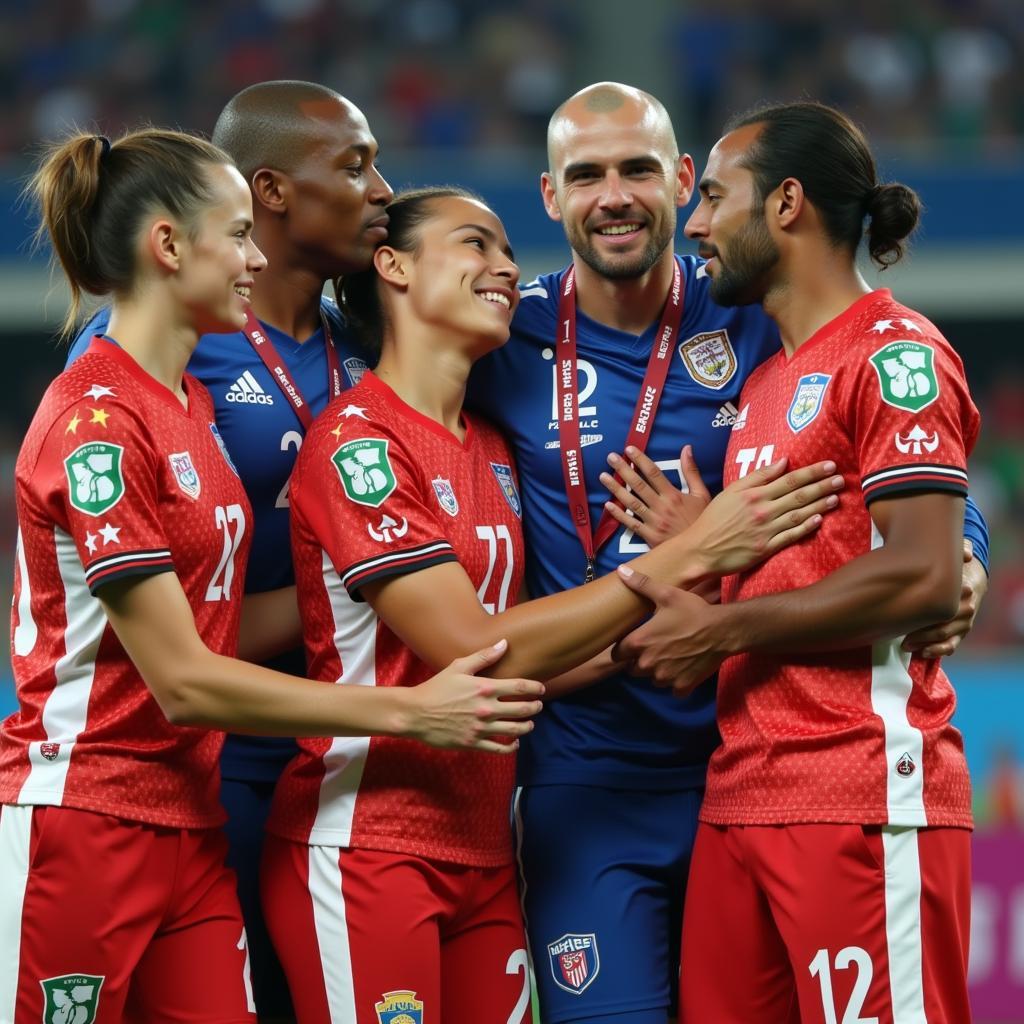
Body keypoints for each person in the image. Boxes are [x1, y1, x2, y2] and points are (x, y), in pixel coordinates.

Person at [467, 82, 990, 1023]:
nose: (614, 195)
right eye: (585, 174)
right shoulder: (501, 334)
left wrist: (967, 559)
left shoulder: (757, 314)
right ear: (550, 197)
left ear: (675, 182)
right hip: (603, 776)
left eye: (642, 172)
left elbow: (919, 477)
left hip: (763, 751)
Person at [258, 186, 844, 1024]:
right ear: (391, 265)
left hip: (484, 846)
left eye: (506, 250)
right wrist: (694, 552)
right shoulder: (360, 443)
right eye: (475, 244)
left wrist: (683, 627)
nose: (504, 267)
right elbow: (474, 646)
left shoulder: (492, 446)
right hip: (369, 842)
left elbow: (529, 664)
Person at [1, 130, 545, 1024]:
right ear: (169, 247)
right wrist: (410, 708)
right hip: (83, 810)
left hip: (191, 818)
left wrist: (361, 588)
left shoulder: (192, 407)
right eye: (238, 234)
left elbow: (214, 627)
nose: (259, 257)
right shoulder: (95, 423)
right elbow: (183, 679)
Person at [615, 101, 979, 1021]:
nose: (694, 224)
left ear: (785, 204)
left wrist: (722, 626)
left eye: (714, 197)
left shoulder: (897, 354)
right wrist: (712, 554)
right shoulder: (770, 380)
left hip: (861, 787)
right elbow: (833, 549)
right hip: (742, 795)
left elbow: (923, 572)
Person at [65, 79, 391, 1021]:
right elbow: (155, 637)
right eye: (358, 166)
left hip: (346, 759)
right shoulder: (149, 365)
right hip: (211, 755)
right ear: (271, 191)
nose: (383, 192)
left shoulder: (364, 346)